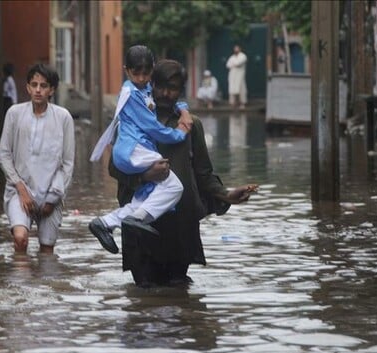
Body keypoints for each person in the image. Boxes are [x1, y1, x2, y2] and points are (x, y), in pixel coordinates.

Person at [109, 59, 258, 286]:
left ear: (181, 91)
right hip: (141, 223)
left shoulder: (191, 125)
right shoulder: (132, 119)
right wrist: (144, 176)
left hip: (181, 226)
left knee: (179, 293)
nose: (166, 94)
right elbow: (114, 166)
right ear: (151, 84)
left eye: (173, 89)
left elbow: (203, 174)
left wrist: (226, 195)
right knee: (143, 295)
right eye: (161, 87)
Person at [88, 45, 193, 255]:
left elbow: (202, 172)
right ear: (127, 71)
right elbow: (153, 127)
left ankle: (105, 222)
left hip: (134, 150)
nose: (141, 78)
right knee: (174, 187)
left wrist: (184, 109)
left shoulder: (145, 91)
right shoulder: (131, 94)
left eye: (146, 74)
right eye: (136, 74)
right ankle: (136, 220)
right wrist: (180, 132)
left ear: (152, 70)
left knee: (140, 202)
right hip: (133, 149)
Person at [0, 63, 75, 255]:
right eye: (34, 85)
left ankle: (40, 285)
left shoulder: (63, 117)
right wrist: (21, 188)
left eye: (44, 86)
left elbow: (67, 163)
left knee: (47, 250)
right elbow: (4, 155)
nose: (38, 90)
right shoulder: (14, 114)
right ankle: (21, 283)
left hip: (51, 191)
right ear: (28, 87)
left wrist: (52, 198)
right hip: (19, 190)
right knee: (20, 238)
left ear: (52, 90)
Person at [226, 45, 248, 109]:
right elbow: (228, 65)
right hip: (232, 76)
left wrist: (233, 64)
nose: (236, 50)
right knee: (232, 89)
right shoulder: (232, 57)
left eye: (237, 49)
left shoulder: (243, 56)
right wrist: (233, 64)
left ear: (240, 49)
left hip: (240, 75)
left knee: (241, 89)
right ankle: (233, 103)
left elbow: (238, 63)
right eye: (235, 49)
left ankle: (242, 103)